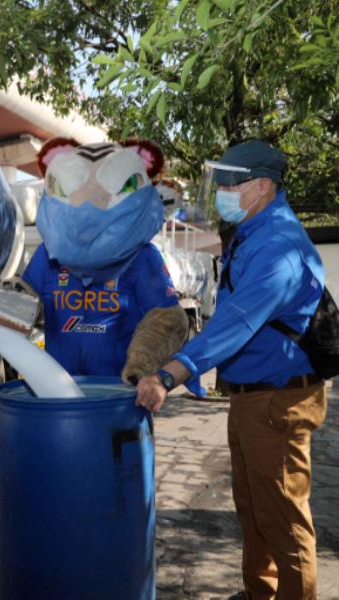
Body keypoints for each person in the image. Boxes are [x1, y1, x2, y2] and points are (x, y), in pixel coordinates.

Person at [136, 139, 327, 600]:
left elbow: (236, 324)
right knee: (254, 506)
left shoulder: (279, 247)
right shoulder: (255, 231)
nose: (221, 191)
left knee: (282, 515)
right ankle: (260, 592)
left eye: (229, 183)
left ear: (262, 186)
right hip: (252, 397)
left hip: (278, 401)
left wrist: (170, 375)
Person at [21, 137, 190, 383]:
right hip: (58, 391)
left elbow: (165, 319)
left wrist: (142, 366)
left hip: (117, 394)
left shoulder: (142, 258)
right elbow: (27, 301)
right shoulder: (48, 255)